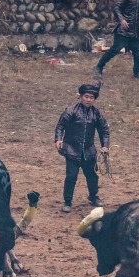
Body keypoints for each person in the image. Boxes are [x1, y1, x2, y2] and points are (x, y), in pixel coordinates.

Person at [54, 83, 110, 214]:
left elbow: (104, 130)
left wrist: (105, 145)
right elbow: (60, 126)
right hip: (71, 150)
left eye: (92, 97)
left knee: (92, 176)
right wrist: (58, 139)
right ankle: (67, 201)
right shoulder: (71, 111)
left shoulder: (96, 114)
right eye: (86, 96)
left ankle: (93, 195)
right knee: (71, 177)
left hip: (89, 152)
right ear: (80, 97)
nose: (89, 99)